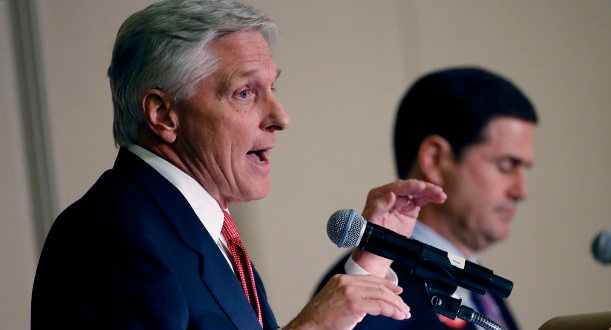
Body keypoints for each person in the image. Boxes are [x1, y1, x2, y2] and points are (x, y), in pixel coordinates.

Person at [30, 1, 447, 329]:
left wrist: (369, 264)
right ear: (163, 114)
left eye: (272, 88)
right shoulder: (112, 235)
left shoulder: (208, 231)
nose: (281, 117)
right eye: (245, 93)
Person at [316, 67, 537, 330]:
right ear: (436, 160)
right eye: (506, 166)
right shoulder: (361, 294)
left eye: (525, 169)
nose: (522, 191)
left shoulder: (483, 293)